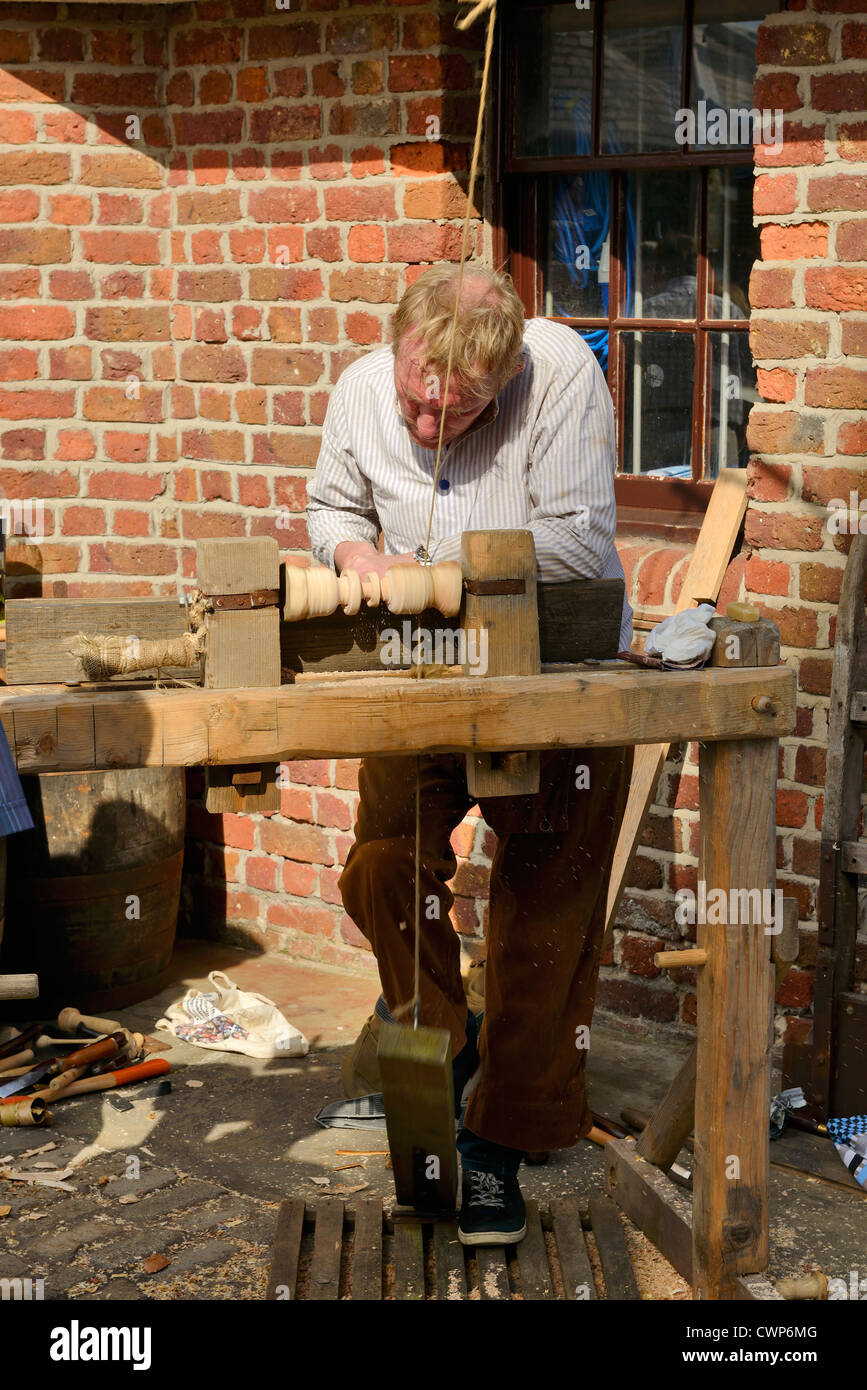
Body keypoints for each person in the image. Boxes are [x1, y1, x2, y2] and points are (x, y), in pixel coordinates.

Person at [307, 263, 634, 1246]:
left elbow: (578, 551)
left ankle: (506, 1130)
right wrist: (359, 557)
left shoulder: (563, 374)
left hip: (552, 668)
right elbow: (332, 506)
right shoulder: (363, 387)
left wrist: (436, 576)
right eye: (416, 399)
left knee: (550, 893)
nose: (426, 425)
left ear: (502, 377)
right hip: (415, 673)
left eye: (459, 411)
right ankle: (438, 1058)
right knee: (382, 865)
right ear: (399, 345)